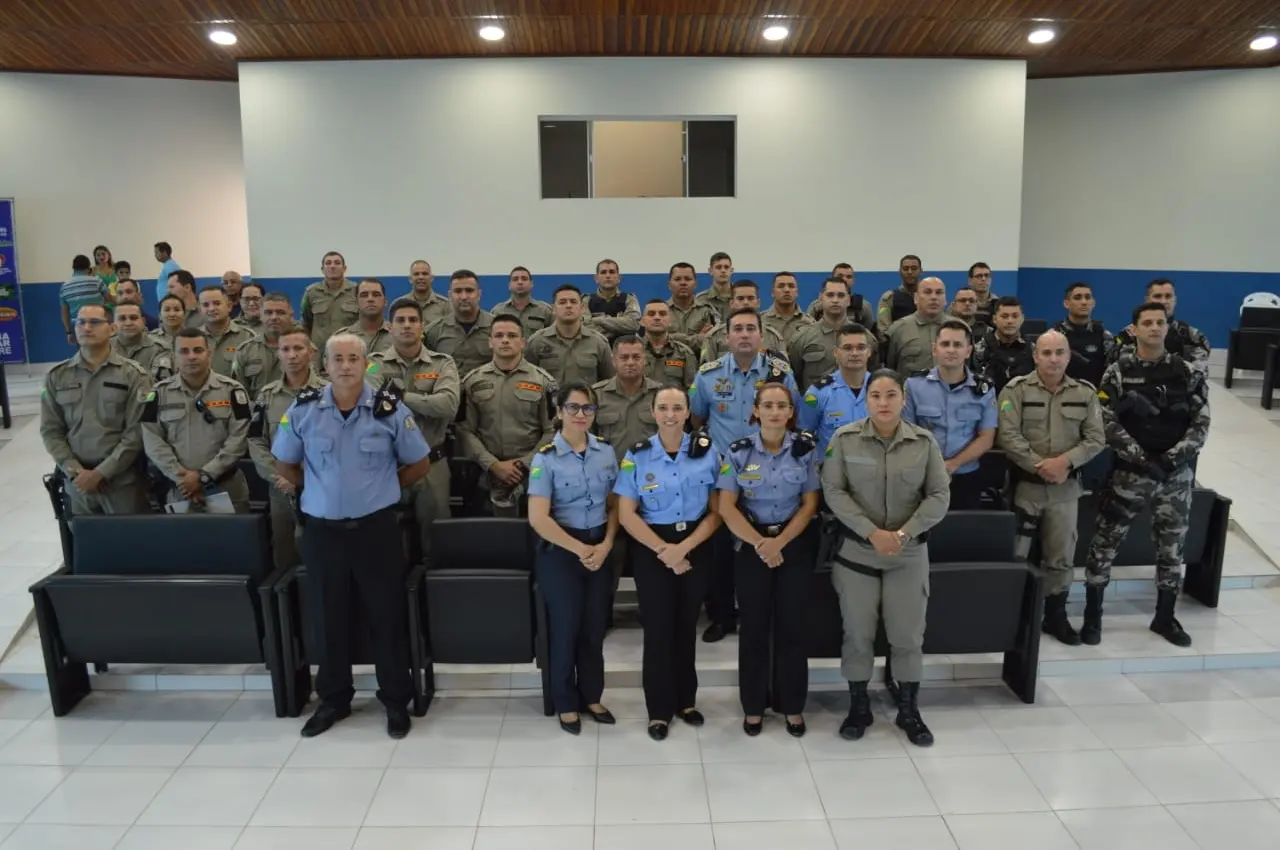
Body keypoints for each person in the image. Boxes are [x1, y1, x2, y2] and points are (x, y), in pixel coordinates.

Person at [273, 332, 431, 740]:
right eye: (337, 358)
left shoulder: (389, 410)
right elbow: (285, 463)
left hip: (375, 530)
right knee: (328, 618)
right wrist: (316, 491)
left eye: (353, 358)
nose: (345, 366)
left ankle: (396, 700)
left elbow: (419, 463)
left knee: (386, 616)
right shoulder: (304, 410)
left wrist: (383, 488)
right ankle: (333, 699)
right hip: (323, 532)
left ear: (366, 364)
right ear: (324, 364)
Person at [822, 368, 950, 747]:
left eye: (891, 395)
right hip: (858, 554)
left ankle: (909, 708)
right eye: (876, 395)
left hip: (907, 554)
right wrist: (871, 532)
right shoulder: (844, 440)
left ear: (903, 399)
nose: (883, 402)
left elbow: (939, 496)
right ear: (866, 400)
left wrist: (902, 533)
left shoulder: (924, 443)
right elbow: (833, 490)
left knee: (907, 635)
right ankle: (858, 705)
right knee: (857, 634)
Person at [1081, 302, 1211, 647]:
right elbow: (1104, 420)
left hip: (1175, 476)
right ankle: (1093, 616)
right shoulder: (1118, 371)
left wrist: (1170, 459)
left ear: (1167, 328)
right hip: (1129, 474)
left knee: (1172, 548)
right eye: (1147, 323)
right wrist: (1140, 457)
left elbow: (1201, 423)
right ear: (1134, 329)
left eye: (1160, 322)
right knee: (1105, 543)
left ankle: (1165, 617)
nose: (1154, 327)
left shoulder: (1187, 372)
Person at [615, 385, 722, 741]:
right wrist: (665, 551)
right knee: (659, 630)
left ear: (689, 411)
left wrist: (685, 548)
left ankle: (686, 702)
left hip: (696, 544)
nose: (671, 414)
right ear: (653, 411)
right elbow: (627, 515)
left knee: (686, 626)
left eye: (677, 407)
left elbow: (717, 511)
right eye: (663, 407)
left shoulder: (707, 453)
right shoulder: (637, 455)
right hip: (652, 547)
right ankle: (659, 710)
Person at [691, 308, 800, 642]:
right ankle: (722, 616)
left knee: (762, 544)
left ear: (761, 336)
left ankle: (764, 613)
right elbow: (697, 420)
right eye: (737, 328)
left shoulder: (780, 374)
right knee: (720, 550)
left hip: (771, 473)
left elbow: (791, 417)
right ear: (726, 337)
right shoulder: (707, 376)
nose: (744, 334)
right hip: (726, 476)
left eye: (751, 328)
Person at [717, 384, 820, 737]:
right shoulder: (738, 452)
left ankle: (792, 705)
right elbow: (726, 506)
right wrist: (762, 543)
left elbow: (809, 504)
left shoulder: (805, 450)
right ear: (756, 410)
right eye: (768, 405)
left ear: (791, 412)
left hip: (793, 544)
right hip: (752, 546)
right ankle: (753, 706)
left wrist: (781, 542)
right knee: (754, 629)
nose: (775, 411)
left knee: (793, 627)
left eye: (782, 406)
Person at [997, 330, 1106, 645]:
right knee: (1018, 555)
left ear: (1069, 356)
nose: (1053, 359)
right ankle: (1013, 618)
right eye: (1046, 352)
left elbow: (1096, 438)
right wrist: (1040, 466)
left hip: (1065, 490)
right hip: (1026, 489)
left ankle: (1055, 615)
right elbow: (1008, 435)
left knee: (1060, 557)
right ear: (1035, 355)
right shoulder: (1015, 390)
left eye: (1060, 352)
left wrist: (1065, 463)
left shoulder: (1085, 394)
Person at [527, 383, 620, 734]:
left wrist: (607, 543)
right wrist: (580, 549)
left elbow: (614, 505)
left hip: (600, 547)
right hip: (562, 553)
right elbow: (538, 518)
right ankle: (565, 701)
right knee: (565, 628)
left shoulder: (606, 453)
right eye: (574, 408)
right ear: (559, 411)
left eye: (588, 409)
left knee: (595, 628)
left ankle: (591, 696)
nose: (581, 415)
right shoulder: (546, 458)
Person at [367, 297, 461, 558]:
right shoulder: (374, 364)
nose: (407, 325)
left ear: (423, 325)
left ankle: (437, 594)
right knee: (386, 545)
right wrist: (424, 402)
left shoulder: (443, 363)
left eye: (413, 320)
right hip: (388, 465)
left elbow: (448, 406)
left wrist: (400, 396)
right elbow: (373, 406)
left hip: (432, 464)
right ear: (389, 326)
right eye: (400, 320)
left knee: (438, 543)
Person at [40, 303, 153, 516]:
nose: (86, 328)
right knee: (87, 546)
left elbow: (136, 433)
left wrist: (102, 473)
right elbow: (51, 430)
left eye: (94, 322)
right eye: (80, 322)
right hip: (78, 482)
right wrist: (76, 472)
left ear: (112, 329)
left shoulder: (133, 375)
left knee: (128, 545)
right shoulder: (57, 376)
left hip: (121, 482)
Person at [141, 328, 253, 513]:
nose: (191, 356)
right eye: (184, 351)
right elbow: (152, 440)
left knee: (232, 541)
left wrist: (204, 476)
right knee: (185, 542)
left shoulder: (232, 390)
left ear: (209, 353)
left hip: (227, 488)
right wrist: (182, 478)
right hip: (180, 489)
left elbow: (239, 439)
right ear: (174, 356)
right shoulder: (159, 394)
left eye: (198, 350)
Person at [457, 315, 558, 515]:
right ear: (490, 342)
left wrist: (524, 464)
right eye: (499, 335)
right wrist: (493, 464)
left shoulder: (545, 382)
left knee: (534, 536)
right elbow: (464, 430)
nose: (505, 340)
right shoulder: (471, 382)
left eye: (512, 336)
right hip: (485, 474)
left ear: (523, 342)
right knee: (492, 539)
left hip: (533, 474)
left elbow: (552, 431)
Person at [592, 336, 663, 615]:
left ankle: (652, 612)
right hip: (611, 489)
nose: (631, 363)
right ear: (613, 361)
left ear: (645, 359)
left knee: (649, 553)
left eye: (636, 357)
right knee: (612, 553)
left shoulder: (661, 395)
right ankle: (604, 613)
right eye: (625, 357)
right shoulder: (597, 395)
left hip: (653, 489)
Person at [247, 324, 325, 569]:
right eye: (286, 349)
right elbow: (256, 440)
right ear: (278, 354)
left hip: (320, 488)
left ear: (311, 352)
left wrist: (303, 478)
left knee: (320, 555)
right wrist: (280, 476)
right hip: (280, 490)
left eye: (298, 348)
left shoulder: (329, 393)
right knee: (284, 555)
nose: (292, 355)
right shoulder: (266, 395)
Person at [904, 320, 998, 510]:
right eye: (945, 344)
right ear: (934, 349)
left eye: (957, 345)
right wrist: (934, 468)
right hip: (923, 476)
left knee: (962, 535)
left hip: (966, 477)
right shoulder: (914, 386)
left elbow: (986, 437)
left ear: (968, 351)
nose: (951, 350)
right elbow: (906, 434)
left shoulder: (984, 389)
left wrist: (954, 464)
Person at [798, 323, 874, 457]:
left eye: (861, 348)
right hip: (831, 473)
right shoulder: (817, 393)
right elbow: (804, 436)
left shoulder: (883, 390)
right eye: (847, 348)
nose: (854, 353)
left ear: (869, 351)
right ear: (835, 352)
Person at [1111, 279, 1210, 374]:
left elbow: (1198, 376)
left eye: (1168, 296)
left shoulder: (1192, 337)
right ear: (1147, 300)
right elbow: (1119, 369)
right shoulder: (1128, 335)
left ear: (1175, 300)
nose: (1163, 301)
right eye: (1157, 296)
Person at [526, 284, 615, 386]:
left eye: (573, 302)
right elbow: (527, 380)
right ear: (554, 308)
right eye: (562, 302)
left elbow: (609, 383)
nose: (568, 306)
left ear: (582, 308)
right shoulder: (537, 342)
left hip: (587, 401)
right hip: (549, 401)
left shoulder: (598, 343)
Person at [424, 269, 494, 380]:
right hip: (448, 392)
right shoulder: (434, 331)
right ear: (450, 295)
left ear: (479, 294)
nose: (464, 297)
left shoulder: (497, 328)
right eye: (458, 291)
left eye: (469, 290)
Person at [699, 281, 786, 365]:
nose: (746, 302)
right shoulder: (714, 337)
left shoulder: (774, 337)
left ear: (758, 303)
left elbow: (783, 373)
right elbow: (707, 374)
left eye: (750, 298)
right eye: (740, 298)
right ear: (731, 303)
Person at [789, 277, 853, 391]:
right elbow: (794, 377)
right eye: (830, 295)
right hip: (815, 405)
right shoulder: (803, 337)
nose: (835, 300)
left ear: (848, 300)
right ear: (821, 298)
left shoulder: (865, 338)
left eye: (841, 295)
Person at [233, 291, 294, 400]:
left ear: (291, 316)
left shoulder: (306, 349)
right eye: (268, 312)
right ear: (261, 315)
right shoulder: (245, 351)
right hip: (257, 414)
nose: (274, 317)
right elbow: (239, 393)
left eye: (280, 312)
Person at [1054, 281, 1113, 388]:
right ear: (1066, 303)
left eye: (1087, 297)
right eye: (1077, 298)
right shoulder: (1054, 335)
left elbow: (1111, 371)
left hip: (1095, 394)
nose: (1084, 302)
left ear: (1093, 303)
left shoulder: (1104, 335)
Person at [972, 295, 1034, 394]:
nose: (1010, 321)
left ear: (1022, 319)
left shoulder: (1033, 350)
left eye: (1015, 316)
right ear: (994, 319)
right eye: (1004, 316)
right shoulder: (980, 349)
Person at [885, 277, 947, 376]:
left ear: (945, 299)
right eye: (927, 292)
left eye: (939, 292)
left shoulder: (959, 328)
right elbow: (889, 368)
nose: (934, 297)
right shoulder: (898, 329)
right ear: (916, 298)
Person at [301, 250, 358, 355]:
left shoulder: (356, 290)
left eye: (337, 263)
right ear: (322, 269)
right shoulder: (311, 292)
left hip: (348, 351)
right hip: (318, 352)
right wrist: (307, 343)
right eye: (328, 263)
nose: (332, 266)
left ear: (344, 268)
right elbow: (305, 322)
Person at [639, 299, 697, 388]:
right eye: (651, 314)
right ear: (642, 321)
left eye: (662, 314)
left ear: (670, 320)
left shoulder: (684, 353)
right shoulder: (632, 352)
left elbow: (693, 389)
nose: (657, 317)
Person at [198, 286, 255, 377]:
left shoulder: (247, 337)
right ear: (200, 310)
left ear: (229, 306)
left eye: (217, 303)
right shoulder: (192, 338)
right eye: (205, 305)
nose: (211, 308)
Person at [111, 302, 173, 382]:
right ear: (113, 325)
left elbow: (160, 385)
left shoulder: (161, 349)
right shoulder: (103, 348)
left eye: (133, 318)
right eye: (122, 319)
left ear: (143, 322)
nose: (128, 323)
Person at [581, 258, 641, 340]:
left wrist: (599, 320)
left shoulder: (629, 299)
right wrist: (620, 327)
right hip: (596, 349)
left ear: (619, 277)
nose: (608, 276)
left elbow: (634, 325)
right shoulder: (586, 300)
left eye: (612, 272)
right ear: (596, 278)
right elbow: (585, 328)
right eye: (603, 272)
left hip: (624, 350)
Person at [60, 254, 112, 347]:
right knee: (101, 350)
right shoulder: (96, 281)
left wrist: (68, 332)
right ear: (89, 268)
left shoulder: (65, 286)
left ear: (73, 268)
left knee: (84, 353)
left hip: (78, 323)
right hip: (98, 321)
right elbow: (109, 300)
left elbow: (64, 312)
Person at [666, 261, 719, 348]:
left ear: (695, 284)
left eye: (688, 279)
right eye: (677, 279)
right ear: (669, 284)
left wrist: (672, 337)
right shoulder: (661, 312)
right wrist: (697, 339)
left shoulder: (706, 311)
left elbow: (708, 342)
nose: (683, 283)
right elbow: (658, 341)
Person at [336, 278, 393, 358]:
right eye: (364, 295)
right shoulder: (342, 338)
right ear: (356, 302)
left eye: (376, 295)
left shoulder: (397, 335)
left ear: (385, 301)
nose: (370, 299)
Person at [492, 265, 554, 336]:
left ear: (531, 284)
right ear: (509, 285)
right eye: (515, 279)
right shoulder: (498, 311)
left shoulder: (545, 310)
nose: (520, 282)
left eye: (524, 279)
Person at [807, 264, 874, 328]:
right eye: (840, 276)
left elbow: (867, 329)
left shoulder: (864, 306)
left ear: (853, 281)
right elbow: (809, 328)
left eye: (849, 277)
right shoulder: (815, 307)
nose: (844, 279)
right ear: (832, 278)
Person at [765, 271, 816, 345]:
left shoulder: (810, 323)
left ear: (797, 292)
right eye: (781, 286)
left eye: (791, 286)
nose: (787, 290)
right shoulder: (760, 322)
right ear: (773, 292)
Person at [876, 254, 922, 336]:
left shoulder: (929, 296)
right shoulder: (888, 298)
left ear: (921, 271)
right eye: (905, 269)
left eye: (914, 268)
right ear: (900, 271)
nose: (910, 272)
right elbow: (884, 329)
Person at [406, 259, 451, 327]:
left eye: (425, 274)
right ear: (410, 279)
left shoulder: (445, 305)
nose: (421, 277)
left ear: (432, 278)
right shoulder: (400, 304)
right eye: (416, 274)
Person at [695, 251, 735, 319]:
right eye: (718, 267)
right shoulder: (701, 300)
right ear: (710, 271)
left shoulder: (741, 297)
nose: (723, 270)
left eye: (726, 267)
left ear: (731, 270)